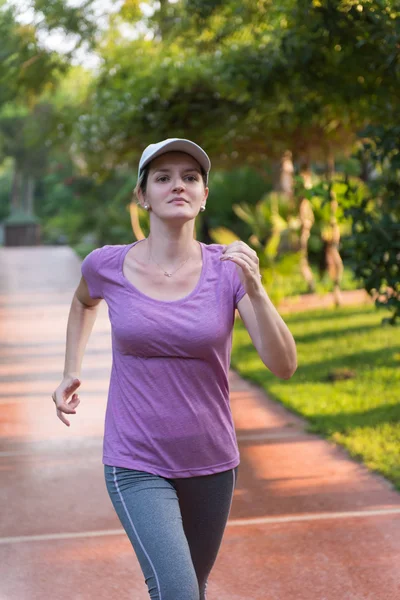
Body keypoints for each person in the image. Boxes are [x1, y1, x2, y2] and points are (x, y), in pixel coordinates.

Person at [51, 138, 297, 600]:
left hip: (212, 460)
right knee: (177, 590)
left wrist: (257, 291)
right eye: (163, 177)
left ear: (205, 195)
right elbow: (84, 301)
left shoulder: (227, 270)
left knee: (192, 589)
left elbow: (283, 365)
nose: (178, 185)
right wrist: (71, 367)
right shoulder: (107, 265)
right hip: (135, 459)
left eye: (190, 177)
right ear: (142, 195)